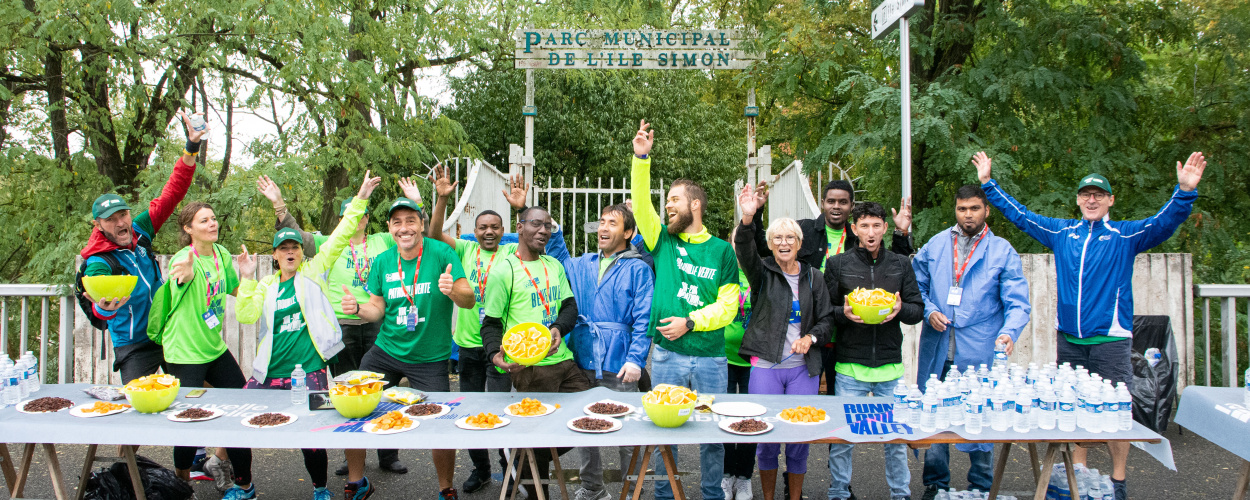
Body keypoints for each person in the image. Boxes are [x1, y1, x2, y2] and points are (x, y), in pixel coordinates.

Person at [972, 151, 1207, 500]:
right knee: (1073, 412)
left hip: (1110, 340)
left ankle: (1119, 480)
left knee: (1116, 414)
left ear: (1110, 200)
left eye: (1098, 194)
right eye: (1085, 194)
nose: (1091, 199)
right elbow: (1020, 216)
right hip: (1069, 339)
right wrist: (988, 185)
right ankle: (1077, 478)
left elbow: (1163, 222)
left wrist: (1184, 191)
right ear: (1078, 200)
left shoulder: (1125, 236)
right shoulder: (1061, 232)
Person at [233, 172, 380, 500]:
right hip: (268, 372)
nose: (289, 252)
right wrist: (245, 279)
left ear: (302, 253)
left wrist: (361, 196)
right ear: (274, 255)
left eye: (295, 247)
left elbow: (341, 235)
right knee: (238, 427)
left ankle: (319, 488)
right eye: (283, 248)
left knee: (312, 437)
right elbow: (246, 315)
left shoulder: (314, 273)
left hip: (309, 371)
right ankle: (244, 486)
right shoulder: (266, 286)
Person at [629, 119, 740, 500]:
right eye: (667, 203)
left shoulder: (722, 251)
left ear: (695, 205)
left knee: (712, 435)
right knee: (665, 432)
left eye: (674, 201)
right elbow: (641, 206)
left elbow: (728, 307)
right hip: (667, 357)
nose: (668, 207)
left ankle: (712, 495)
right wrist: (641, 158)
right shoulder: (662, 241)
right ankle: (664, 494)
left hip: (710, 359)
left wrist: (691, 321)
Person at [339, 197, 476, 500]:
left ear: (421, 225)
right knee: (353, 403)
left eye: (410, 221)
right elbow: (376, 307)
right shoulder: (384, 261)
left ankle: (446, 489)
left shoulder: (442, 253)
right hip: (386, 350)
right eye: (397, 222)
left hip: (430, 356)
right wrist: (358, 309)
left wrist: (453, 290)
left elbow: (469, 298)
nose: (404, 228)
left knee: (441, 421)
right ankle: (357, 482)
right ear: (389, 228)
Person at [911, 185, 1031, 499]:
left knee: (982, 414)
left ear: (986, 210)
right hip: (938, 346)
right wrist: (930, 309)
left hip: (980, 348)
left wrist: (1009, 332)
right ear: (956, 210)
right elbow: (914, 286)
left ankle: (981, 485)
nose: (968, 215)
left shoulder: (1002, 250)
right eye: (962, 208)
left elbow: (1018, 302)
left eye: (974, 208)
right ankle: (936, 484)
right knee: (936, 415)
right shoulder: (937, 244)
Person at [749, 179, 913, 397]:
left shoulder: (859, 235)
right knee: (810, 395)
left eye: (843, 202)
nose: (837, 206)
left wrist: (901, 233)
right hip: (812, 331)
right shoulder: (804, 229)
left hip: (846, 337)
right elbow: (767, 246)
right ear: (822, 203)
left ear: (851, 207)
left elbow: (888, 268)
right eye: (831, 201)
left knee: (837, 396)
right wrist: (758, 211)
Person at [79, 110, 205, 384]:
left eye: (122, 215)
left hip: (168, 333)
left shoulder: (140, 229)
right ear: (98, 225)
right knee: (139, 406)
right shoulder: (99, 260)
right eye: (111, 220)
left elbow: (172, 192)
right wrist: (104, 308)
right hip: (134, 345)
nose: (121, 223)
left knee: (194, 395)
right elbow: (100, 307)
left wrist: (191, 146)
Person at [426, 166, 530, 493]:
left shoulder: (514, 253)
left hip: (500, 349)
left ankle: (508, 471)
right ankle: (480, 469)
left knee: (500, 412)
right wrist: (442, 198)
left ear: (503, 231)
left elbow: (538, 236)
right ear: (474, 230)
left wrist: (521, 210)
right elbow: (432, 235)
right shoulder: (465, 249)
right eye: (483, 227)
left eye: (495, 227)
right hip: (468, 347)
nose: (488, 232)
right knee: (471, 411)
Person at [544, 203, 654, 500]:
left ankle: (633, 490)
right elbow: (557, 259)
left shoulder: (638, 269)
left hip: (620, 363)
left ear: (629, 232)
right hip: (582, 358)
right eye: (601, 222)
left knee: (628, 432)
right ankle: (592, 488)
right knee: (584, 427)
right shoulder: (583, 264)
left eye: (613, 223)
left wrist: (635, 360)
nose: (603, 228)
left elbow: (645, 319)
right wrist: (554, 230)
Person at [735, 186, 835, 500]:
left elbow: (827, 320)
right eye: (777, 238)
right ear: (770, 245)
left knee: (798, 440)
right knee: (765, 440)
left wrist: (810, 337)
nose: (783, 243)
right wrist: (748, 217)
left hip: (802, 370)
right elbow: (743, 246)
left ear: (800, 243)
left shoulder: (813, 277)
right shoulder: (761, 273)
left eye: (790, 237)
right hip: (766, 367)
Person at [481, 205, 588, 499]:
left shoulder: (554, 264)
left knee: (583, 420)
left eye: (548, 227)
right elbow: (489, 323)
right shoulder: (504, 271)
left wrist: (557, 329)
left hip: (564, 361)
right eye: (537, 225)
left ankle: (519, 453)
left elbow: (569, 307)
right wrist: (494, 355)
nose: (543, 231)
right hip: (530, 368)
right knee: (540, 435)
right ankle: (530, 480)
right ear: (520, 227)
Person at [148, 200, 253, 494]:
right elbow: (182, 276)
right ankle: (180, 484)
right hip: (184, 352)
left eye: (213, 218)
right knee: (187, 425)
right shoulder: (185, 258)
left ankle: (244, 486)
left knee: (242, 407)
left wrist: (247, 276)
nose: (212, 224)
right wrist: (184, 273)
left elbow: (234, 290)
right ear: (188, 228)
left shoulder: (220, 255)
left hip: (213, 347)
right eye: (204, 220)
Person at [823, 201, 924, 500]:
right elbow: (825, 311)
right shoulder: (837, 264)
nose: (870, 232)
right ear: (854, 229)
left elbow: (917, 310)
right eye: (864, 226)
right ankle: (839, 492)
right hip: (850, 366)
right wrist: (845, 313)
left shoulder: (900, 265)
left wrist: (900, 308)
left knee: (895, 437)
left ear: (884, 228)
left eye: (876, 226)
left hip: (890, 366)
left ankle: (900, 493)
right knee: (843, 436)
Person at [722, 247, 755, 500]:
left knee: (750, 422)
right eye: (736, 244)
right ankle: (725, 475)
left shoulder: (761, 273)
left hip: (753, 360)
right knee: (723, 418)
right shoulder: (723, 270)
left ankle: (744, 477)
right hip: (722, 356)